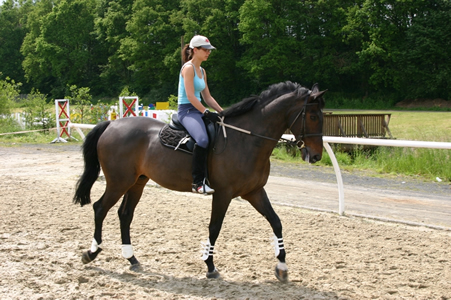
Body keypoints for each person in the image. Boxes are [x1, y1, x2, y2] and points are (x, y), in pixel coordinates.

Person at [178, 35, 223, 194]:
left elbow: (207, 97)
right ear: (195, 50)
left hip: (197, 110)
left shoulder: (202, 71)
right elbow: (190, 96)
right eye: (205, 50)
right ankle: (197, 182)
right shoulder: (188, 68)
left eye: (209, 50)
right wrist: (205, 112)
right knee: (203, 139)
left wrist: (222, 112)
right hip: (187, 111)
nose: (208, 53)